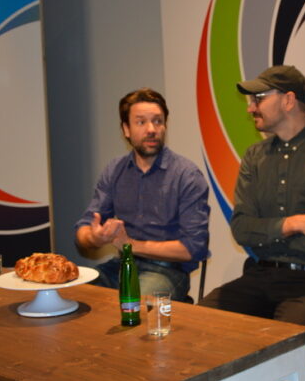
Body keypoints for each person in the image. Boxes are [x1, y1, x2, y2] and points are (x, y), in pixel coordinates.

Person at [200, 65, 305, 346]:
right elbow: (242, 230)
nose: (250, 108)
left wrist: (266, 236)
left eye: (258, 98)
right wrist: (295, 224)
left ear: (288, 100)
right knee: (199, 324)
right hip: (260, 277)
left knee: (282, 346)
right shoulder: (254, 157)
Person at [75, 88, 210, 301]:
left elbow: (194, 248)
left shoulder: (187, 175)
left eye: (158, 121)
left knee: (134, 303)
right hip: (121, 265)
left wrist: (130, 245)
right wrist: (94, 237)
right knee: (75, 293)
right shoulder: (115, 170)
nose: (151, 129)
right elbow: (83, 228)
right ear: (126, 129)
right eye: (141, 122)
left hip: (167, 271)